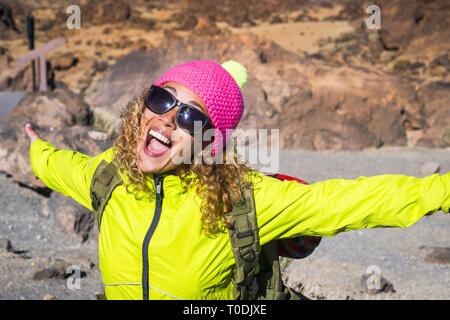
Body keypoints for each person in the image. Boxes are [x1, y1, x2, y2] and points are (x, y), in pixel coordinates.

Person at [25, 60, 449, 300]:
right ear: (142, 105)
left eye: (190, 116)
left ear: (209, 142)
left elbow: (347, 200)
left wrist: (441, 189)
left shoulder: (240, 199)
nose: (169, 119)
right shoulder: (108, 175)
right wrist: (35, 148)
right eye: (163, 99)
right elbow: (61, 166)